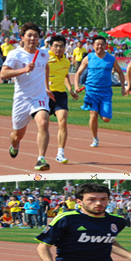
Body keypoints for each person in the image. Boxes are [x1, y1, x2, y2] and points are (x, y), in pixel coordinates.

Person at [0, 22, 54, 172]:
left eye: (35, 36)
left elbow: (46, 66)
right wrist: (24, 70)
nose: (32, 39)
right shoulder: (15, 54)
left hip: (39, 97)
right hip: (22, 99)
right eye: (29, 35)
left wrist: (47, 87)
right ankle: (14, 144)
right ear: (22, 37)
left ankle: (41, 159)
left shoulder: (44, 53)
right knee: (17, 135)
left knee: (43, 123)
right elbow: (3, 74)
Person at [75, 35, 127, 148]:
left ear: (105, 46)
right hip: (91, 92)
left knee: (106, 119)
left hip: (106, 92)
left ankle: (100, 110)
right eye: (97, 44)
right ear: (93, 46)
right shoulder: (89, 58)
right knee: (93, 116)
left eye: (102, 44)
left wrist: (123, 87)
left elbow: (120, 73)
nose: (100, 46)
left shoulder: (111, 59)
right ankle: (95, 138)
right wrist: (76, 86)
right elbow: (78, 73)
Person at [47, 35, 79, 165]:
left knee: (63, 121)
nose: (58, 49)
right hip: (45, 94)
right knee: (43, 124)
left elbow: (66, 76)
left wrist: (70, 90)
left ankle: (60, 153)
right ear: (50, 47)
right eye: (56, 46)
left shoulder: (66, 62)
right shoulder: (45, 59)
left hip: (60, 95)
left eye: (61, 46)